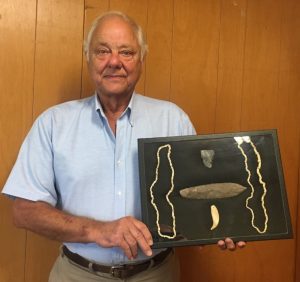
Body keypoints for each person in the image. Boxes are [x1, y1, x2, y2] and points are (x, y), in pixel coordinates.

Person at [2, 11, 245, 282]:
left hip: (157, 274)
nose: (114, 62)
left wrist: (220, 227)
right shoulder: (53, 123)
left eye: (126, 52)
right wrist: (99, 231)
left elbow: (195, 202)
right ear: (88, 58)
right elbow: (24, 211)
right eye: (103, 51)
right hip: (77, 275)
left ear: (141, 60)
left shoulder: (172, 119)